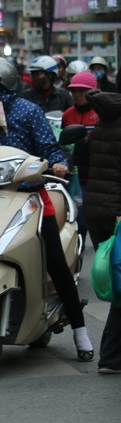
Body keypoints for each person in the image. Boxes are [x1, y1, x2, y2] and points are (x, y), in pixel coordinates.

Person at [0, 55, 94, 364]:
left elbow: (49, 148)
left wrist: (59, 162)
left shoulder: (29, 112)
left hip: (29, 196)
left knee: (55, 262)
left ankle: (80, 331)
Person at [82, 89, 121, 373]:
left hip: (97, 212)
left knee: (119, 288)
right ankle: (110, 357)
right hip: (117, 213)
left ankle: (110, 357)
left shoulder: (102, 124)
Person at [62, 71, 99, 249]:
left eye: (82, 91)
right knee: (79, 218)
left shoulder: (101, 113)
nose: (77, 95)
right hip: (76, 175)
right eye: (74, 91)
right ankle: (78, 249)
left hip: (99, 173)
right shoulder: (67, 115)